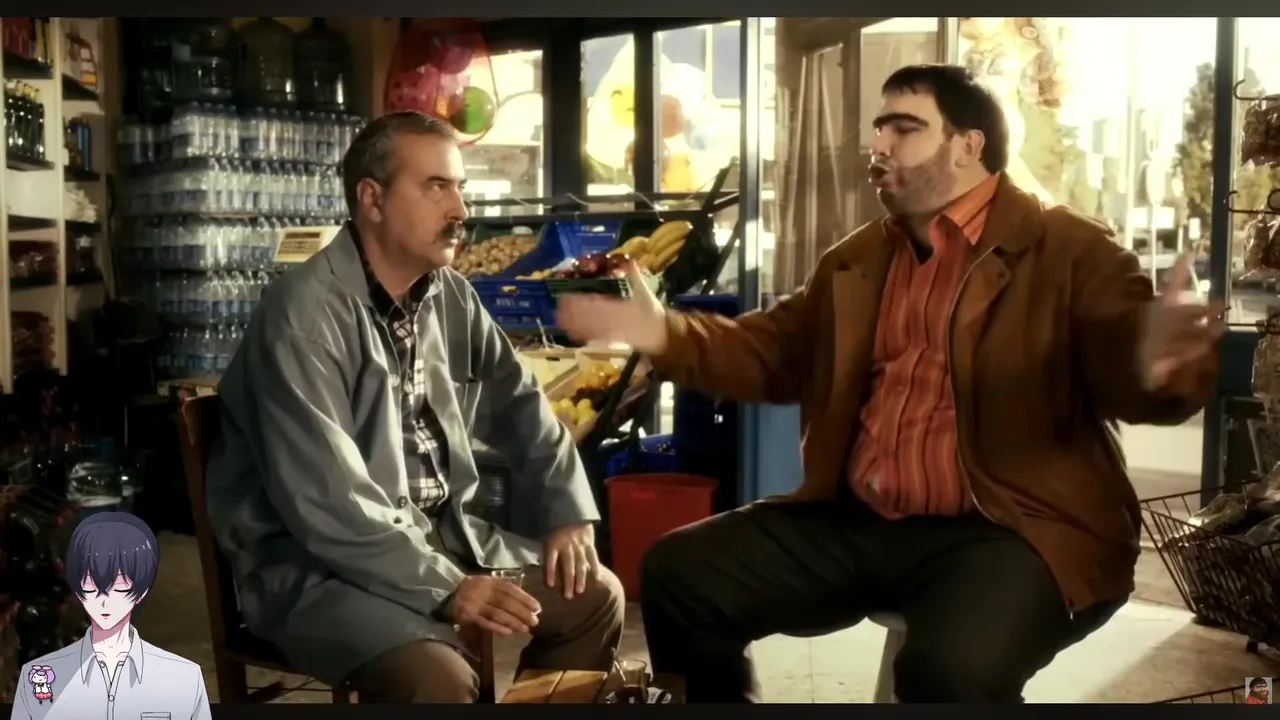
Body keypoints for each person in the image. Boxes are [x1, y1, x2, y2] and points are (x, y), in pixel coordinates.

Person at [558, 63, 1224, 703]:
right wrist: (663, 333)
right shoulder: (858, 259)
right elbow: (771, 352)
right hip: (860, 521)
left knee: (949, 670)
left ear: (969, 145)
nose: (879, 145)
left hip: (1015, 528)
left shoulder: (1071, 248)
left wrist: (1156, 361)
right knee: (681, 575)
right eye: (879, 128)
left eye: (904, 128)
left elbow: (1126, 364)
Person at [206, 111, 623, 703]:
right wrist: (447, 586)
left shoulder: (450, 295)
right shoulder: (303, 317)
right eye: (436, 187)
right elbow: (329, 502)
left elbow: (521, 404)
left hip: (440, 539)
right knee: (437, 680)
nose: (460, 210)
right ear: (372, 199)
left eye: (460, 188)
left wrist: (566, 509)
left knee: (594, 597)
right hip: (318, 569)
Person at [12, 512, 211, 720]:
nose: (104, 600)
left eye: (118, 587)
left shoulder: (184, 679)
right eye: (92, 586)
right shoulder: (39, 678)